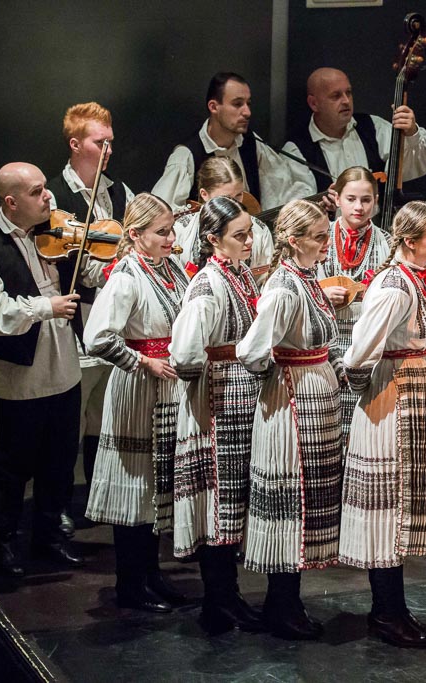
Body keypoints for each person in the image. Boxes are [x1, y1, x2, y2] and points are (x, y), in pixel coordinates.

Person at [0, 162, 91, 577]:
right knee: (13, 464)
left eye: (45, 188)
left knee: (60, 458)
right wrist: (44, 307)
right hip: (21, 373)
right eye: (36, 192)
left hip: (64, 363)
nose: (48, 196)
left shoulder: (55, 233)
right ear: (11, 203)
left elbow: (83, 274)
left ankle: (49, 537)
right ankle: (6, 543)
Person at [339, 201, 426, 649]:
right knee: (389, 507)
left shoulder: (416, 279)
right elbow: (357, 355)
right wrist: (371, 392)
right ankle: (386, 613)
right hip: (393, 400)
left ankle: (394, 609)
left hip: (415, 392)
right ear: (409, 241)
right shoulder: (393, 288)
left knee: (403, 506)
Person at [237, 200, 345, 640]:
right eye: (319, 237)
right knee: (290, 500)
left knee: (307, 500)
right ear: (295, 240)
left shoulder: (307, 278)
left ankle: (289, 600)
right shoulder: (283, 288)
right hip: (292, 404)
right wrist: (283, 375)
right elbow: (251, 352)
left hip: (314, 397)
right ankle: (281, 605)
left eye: (326, 236)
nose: (326, 244)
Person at [83, 193, 190, 612]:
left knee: (156, 486)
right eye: (161, 232)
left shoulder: (169, 268)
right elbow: (97, 337)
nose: (171, 238)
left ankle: (151, 575)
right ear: (135, 234)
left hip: (168, 387)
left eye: (171, 229)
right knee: (137, 485)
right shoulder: (126, 276)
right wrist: (143, 361)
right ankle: (131, 583)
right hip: (138, 387)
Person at [170, 197, 265, 635]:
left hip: (239, 396)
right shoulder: (207, 286)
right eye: (239, 235)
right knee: (218, 496)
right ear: (213, 239)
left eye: (249, 233)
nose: (248, 242)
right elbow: (186, 353)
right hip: (217, 399)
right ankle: (218, 601)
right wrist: (210, 377)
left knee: (233, 496)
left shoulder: (239, 275)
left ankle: (228, 596)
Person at [46, 102, 136, 531]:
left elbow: (129, 243)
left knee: (102, 417)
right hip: (75, 319)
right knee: (71, 420)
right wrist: (110, 267)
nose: (108, 151)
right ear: (76, 144)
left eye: (111, 142)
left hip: (113, 320)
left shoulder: (118, 193)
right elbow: (67, 262)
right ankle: (57, 508)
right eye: (101, 143)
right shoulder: (52, 197)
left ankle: (98, 498)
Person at [153, 72, 311, 211]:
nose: (247, 112)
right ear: (214, 107)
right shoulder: (187, 155)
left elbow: (283, 191)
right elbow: (159, 212)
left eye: (248, 103)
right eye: (237, 104)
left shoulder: (253, 143)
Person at [317, 166, 391, 440]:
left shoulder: (386, 243)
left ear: (376, 200)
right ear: (337, 198)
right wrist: (322, 293)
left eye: (366, 200)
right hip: (329, 339)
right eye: (351, 199)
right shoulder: (320, 238)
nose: (358, 207)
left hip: (368, 343)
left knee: (363, 425)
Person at [282, 67, 426, 195]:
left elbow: (416, 164)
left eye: (348, 93)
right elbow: (299, 207)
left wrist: (411, 133)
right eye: (336, 96)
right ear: (314, 103)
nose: (346, 101)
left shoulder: (373, 127)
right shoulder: (296, 150)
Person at [171, 156, 273, 275]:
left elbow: (266, 278)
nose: (234, 203)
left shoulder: (260, 230)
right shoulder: (181, 229)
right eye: (225, 198)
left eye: (239, 195)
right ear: (204, 194)